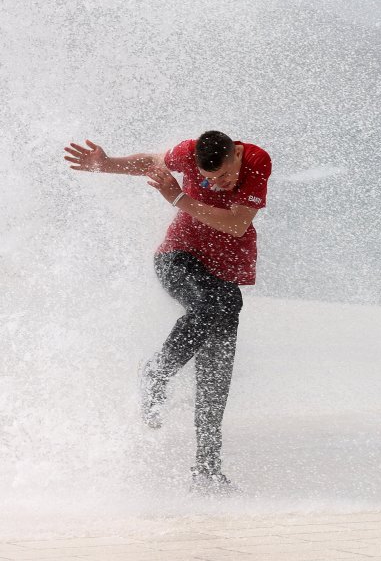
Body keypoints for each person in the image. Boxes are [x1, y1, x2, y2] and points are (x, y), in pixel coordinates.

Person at [64, 131, 271, 491]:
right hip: (178, 259)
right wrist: (107, 164)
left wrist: (178, 198)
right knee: (214, 304)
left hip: (222, 271)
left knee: (216, 371)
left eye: (224, 176)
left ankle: (207, 471)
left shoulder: (256, 162)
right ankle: (156, 373)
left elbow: (237, 224)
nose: (219, 184)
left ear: (237, 154)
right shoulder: (188, 153)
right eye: (209, 179)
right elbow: (151, 162)